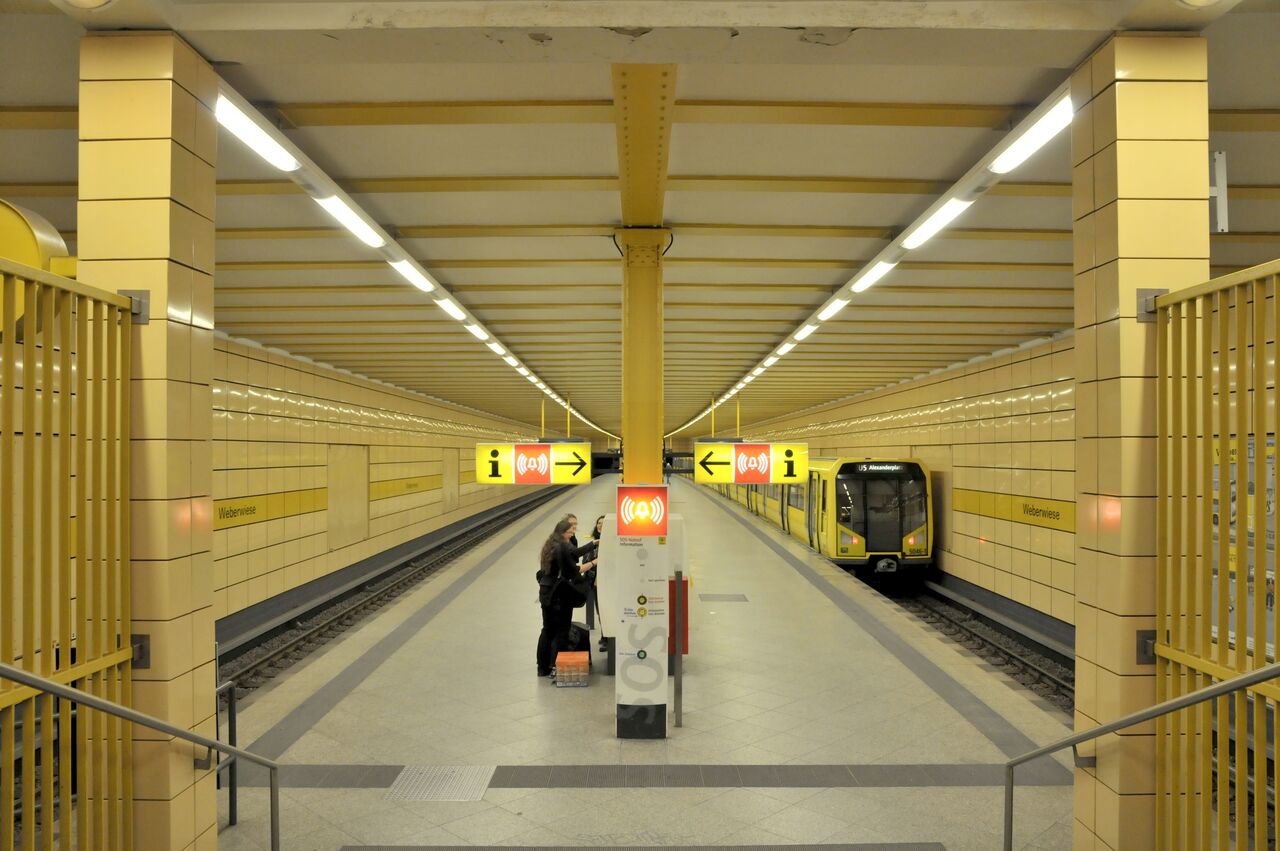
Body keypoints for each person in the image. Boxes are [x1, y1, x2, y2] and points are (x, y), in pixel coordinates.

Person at [537, 519, 597, 677]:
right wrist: (592, 564)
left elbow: (573, 554)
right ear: (563, 533)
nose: (572, 535)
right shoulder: (562, 547)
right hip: (559, 595)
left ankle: (542, 668)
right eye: (570, 532)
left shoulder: (550, 544)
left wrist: (592, 544)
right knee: (562, 631)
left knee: (547, 630)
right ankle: (556, 666)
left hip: (546, 591)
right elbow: (572, 572)